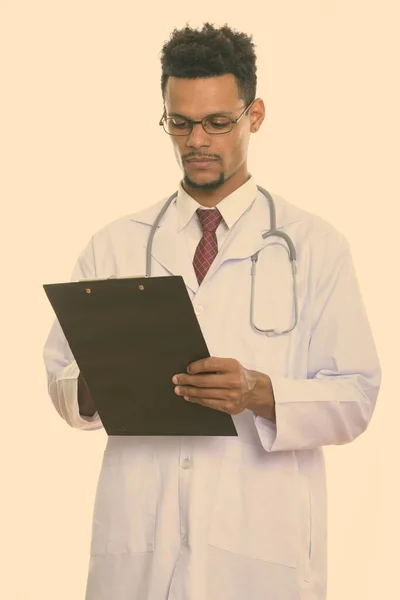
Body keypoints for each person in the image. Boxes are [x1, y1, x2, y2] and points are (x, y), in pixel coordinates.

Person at [43, 23, 381, 600]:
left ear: (255, 115)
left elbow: (356, 395)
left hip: (257, 552)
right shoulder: (115, 245)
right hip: (140, 551)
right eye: (180, 122)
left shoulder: (316, 246)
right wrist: (106, 378)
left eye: (218, 122)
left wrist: (258, 390)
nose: (197, 139)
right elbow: (62, 379)